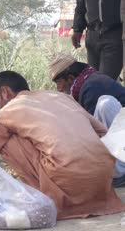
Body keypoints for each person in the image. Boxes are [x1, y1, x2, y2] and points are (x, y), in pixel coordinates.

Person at [0, 71, 125, 219]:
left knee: (3, 138)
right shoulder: (60, 97)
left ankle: (49, 196)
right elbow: (102, 132)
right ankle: (84, 187)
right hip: (103, 183)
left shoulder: (7, 112)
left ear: (6, 92)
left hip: (69, 182)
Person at [49, 53, 125, 187]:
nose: (59, 89)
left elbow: (90, 132)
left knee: (105, 104)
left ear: (70, 78)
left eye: (58, 83)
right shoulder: (87, 84)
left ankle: (120, 172)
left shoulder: (92, 87)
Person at [71, 0, 123, 80]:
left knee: (103, 83)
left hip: (114, 35)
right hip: (92, 36)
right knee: (94, 82)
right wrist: (77, 29)